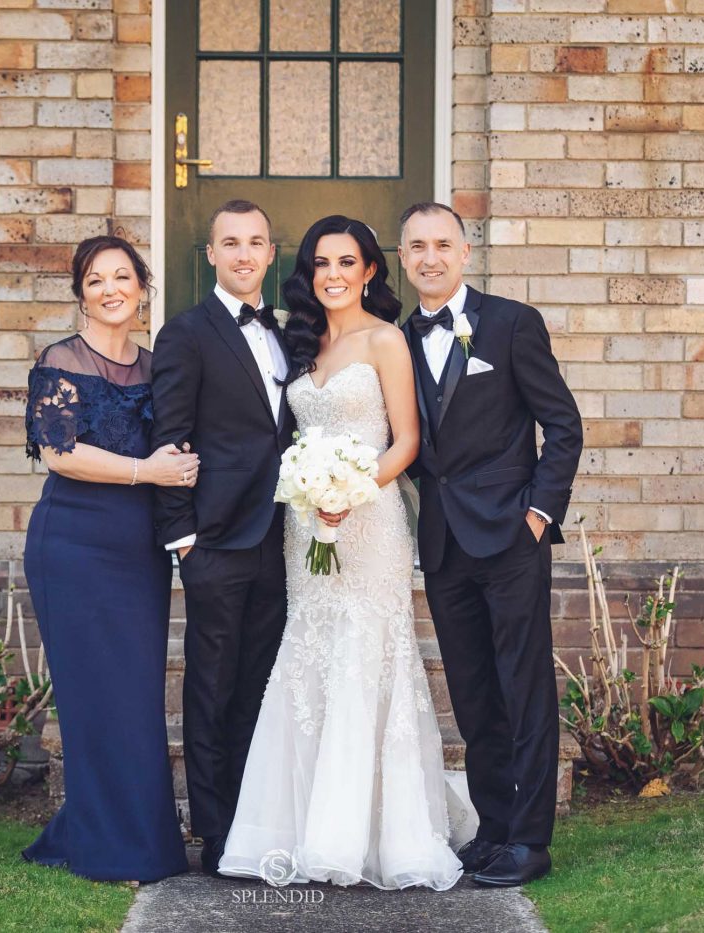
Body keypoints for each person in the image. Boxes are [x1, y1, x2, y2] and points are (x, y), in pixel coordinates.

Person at [217, 215, 469, 891]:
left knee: (366, 653)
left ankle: (371, 833)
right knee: (310, 655)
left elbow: (406, 440)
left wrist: (352, 491)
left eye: (347, 262)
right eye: (321, 263)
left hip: (370, 521)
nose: (333, 275)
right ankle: (297, 826)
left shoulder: (386, 339)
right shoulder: (298, 345)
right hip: (306, 526)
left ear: (369, 271)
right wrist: (316, 494)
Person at [397, 202, 583, 887]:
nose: (431, 258)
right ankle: (494, 828)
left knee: (523, 689)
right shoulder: (398, 339)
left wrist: (538, 512)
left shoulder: (510, 324)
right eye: (417, 247)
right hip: (444, 543)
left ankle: (530, 840)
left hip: (510, 536)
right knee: (474, 695)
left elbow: (563, 425)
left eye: (442, 244)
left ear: (465, 252)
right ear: (402, 257)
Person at [21, 235, 195, 883]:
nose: (110, 289)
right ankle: (109, 847)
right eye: (95, 280)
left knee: (135, 696)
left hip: (139, 552)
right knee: (94, 698)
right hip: (72, 545)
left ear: (142, 288)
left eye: (122, 277)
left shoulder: (156, 368)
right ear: (81, 295)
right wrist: (146, 470)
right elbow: (59, 451)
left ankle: (125, 835)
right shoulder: (61, 360)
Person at [150, 200, 296, 876]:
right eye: (230, 242)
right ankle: (214, 829)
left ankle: (254, 820)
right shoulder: (186, 333)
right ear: (210, 254)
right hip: (214, 538)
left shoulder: (288, 332)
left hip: (281, 535)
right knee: (211, 686)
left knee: (259, 685)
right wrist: (182, 538)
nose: (244, 254)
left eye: (255, 242)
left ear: (271, 253)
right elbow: (169, 435)